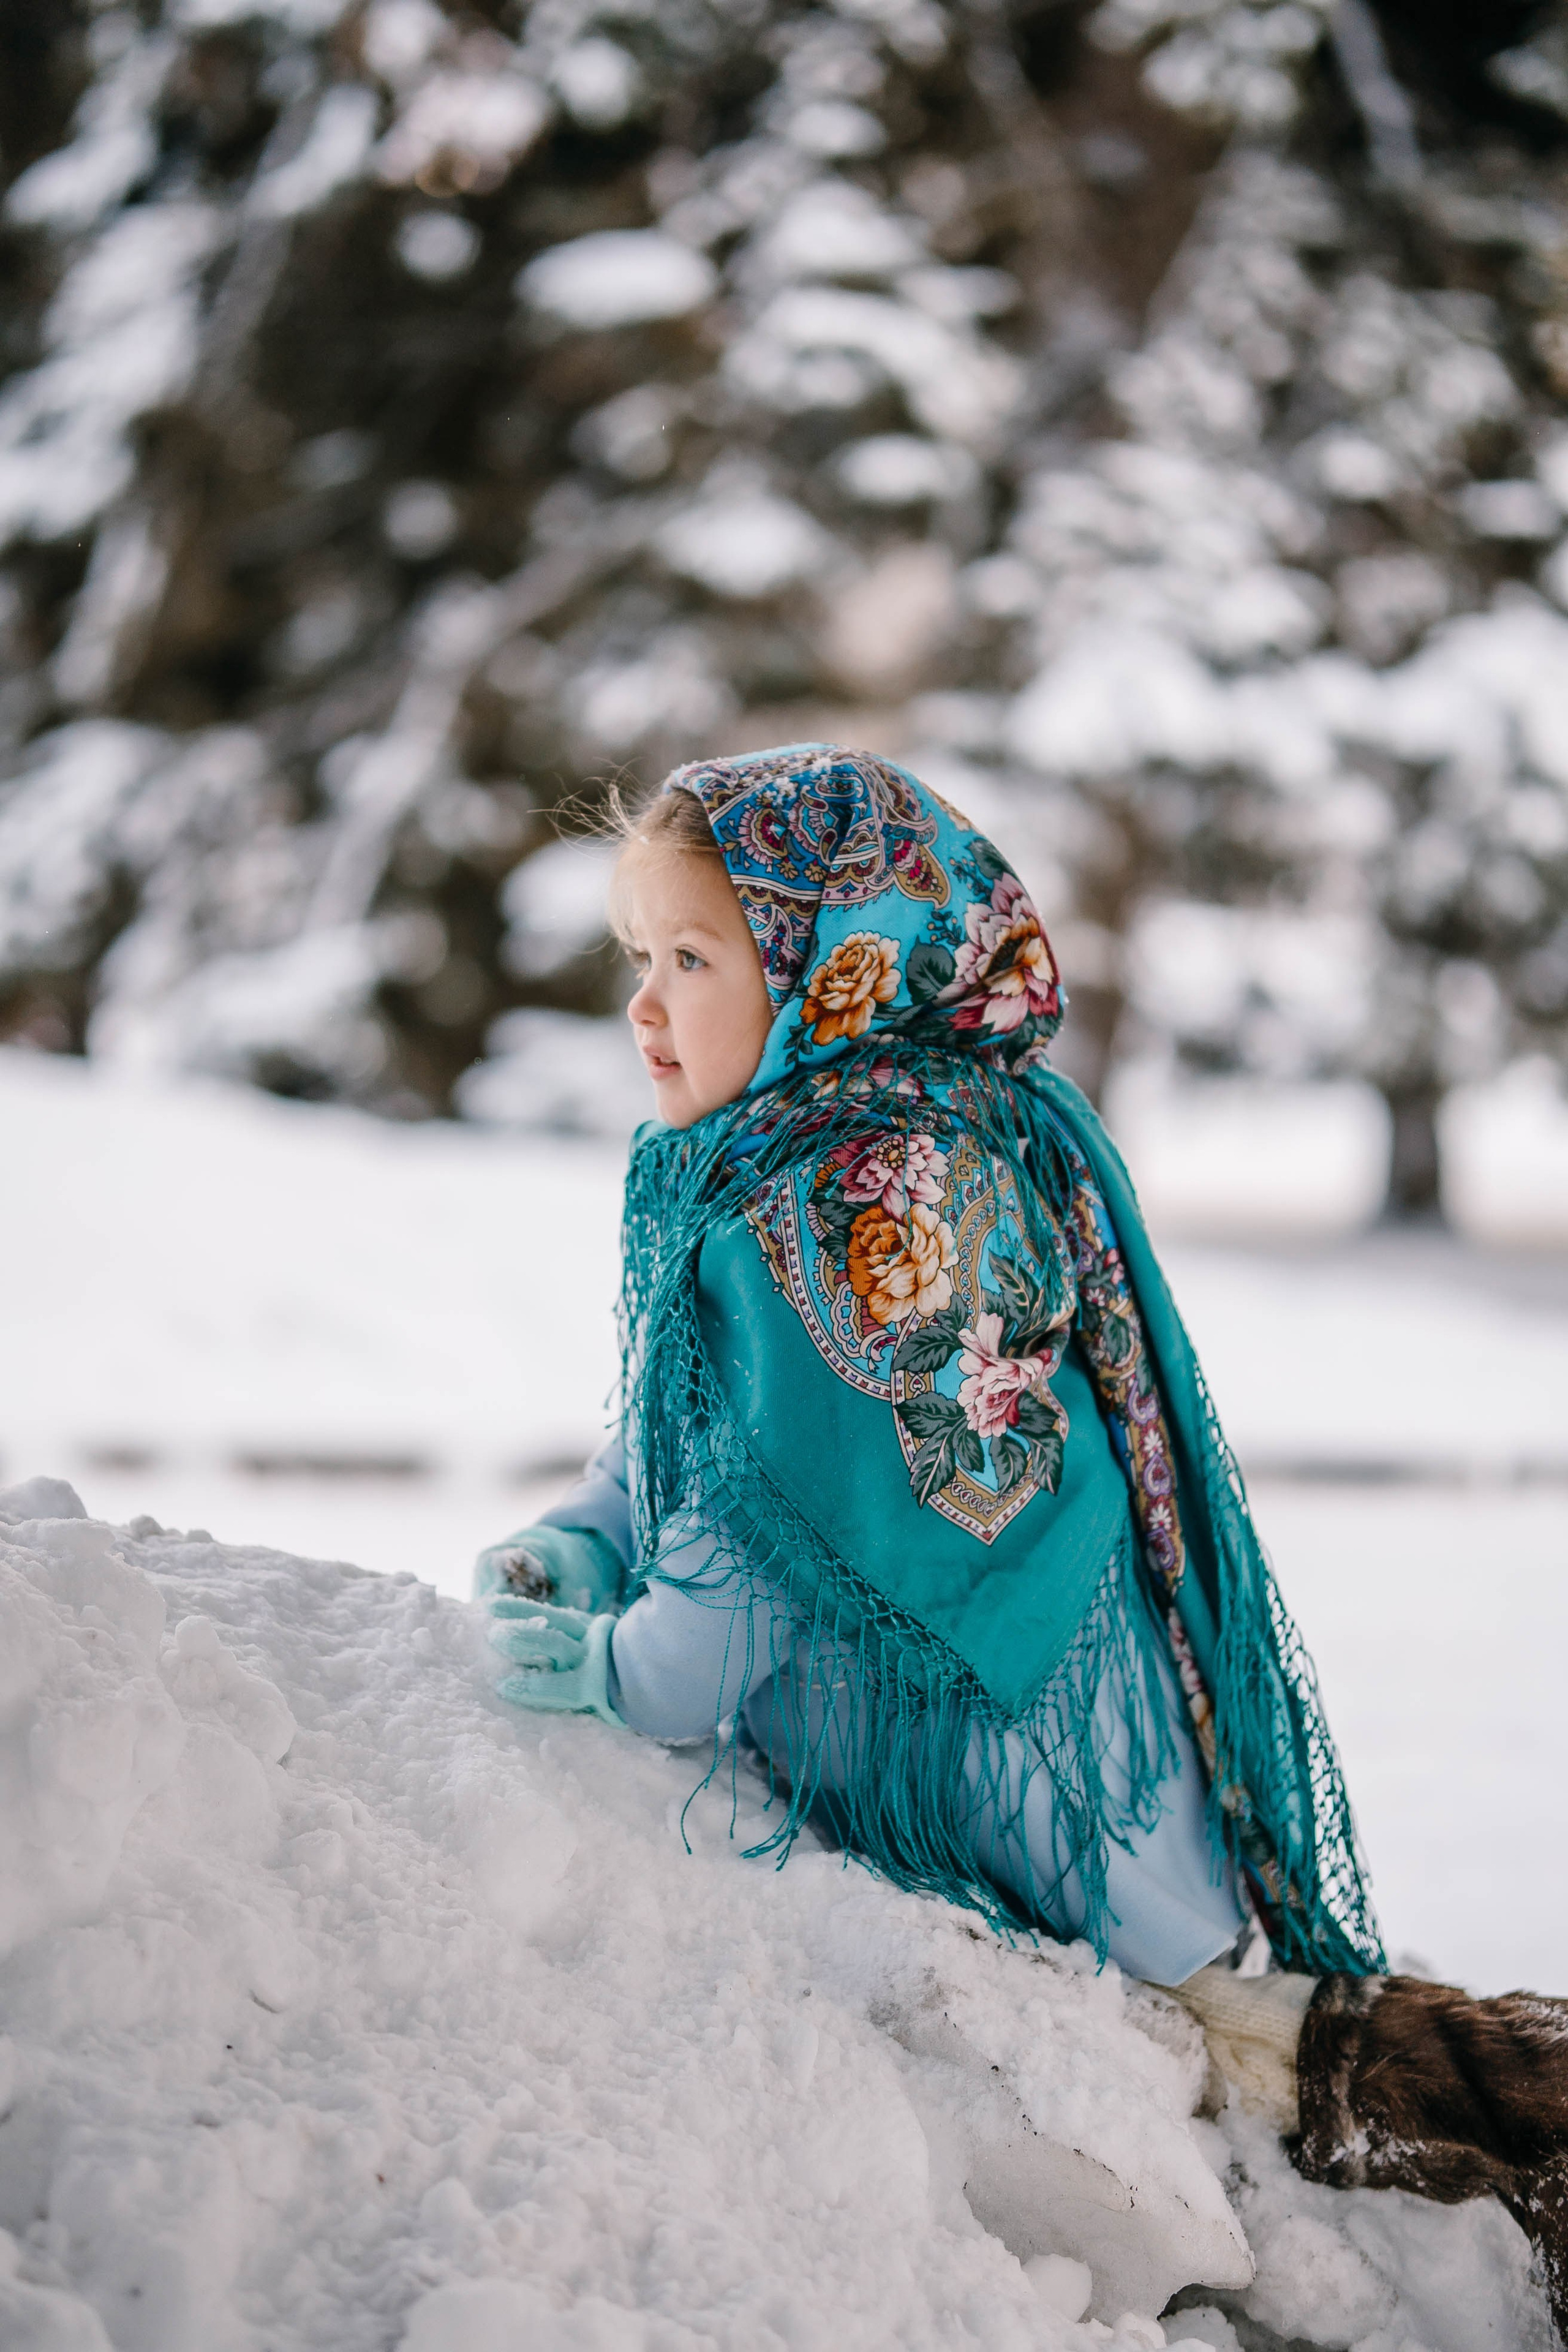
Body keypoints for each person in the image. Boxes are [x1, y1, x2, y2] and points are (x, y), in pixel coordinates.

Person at [473, 745, 1568, 2332]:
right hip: (1093, 1795)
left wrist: (611, 1669)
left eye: (695, 960)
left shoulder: (848, 1202)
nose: (646, 1006)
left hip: (1042, 1838)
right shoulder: (841, 1147)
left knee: (1212, 2113)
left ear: (825, 972)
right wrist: (582, 1539)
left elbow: (749, 1559)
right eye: (639, 960)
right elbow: (697, 1454)